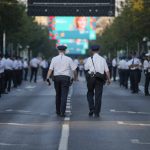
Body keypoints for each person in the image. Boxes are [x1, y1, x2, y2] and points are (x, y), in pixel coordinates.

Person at [46, 45, 77, 117]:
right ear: (65, 51)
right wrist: (75, 77)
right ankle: (62, 112)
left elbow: (50, 69)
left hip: (56, 78)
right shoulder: (69, 59)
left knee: (58, 94)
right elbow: (74, 70)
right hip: (65, 78)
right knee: (64, 95)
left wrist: (47, 78)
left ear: (58, 50)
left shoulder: (54, 59)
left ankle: (57, 111)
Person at [84, 45, 111, 117]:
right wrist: (109, 79)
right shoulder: (103, 59)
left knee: (90, 93)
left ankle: (91, 108)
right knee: (98, 96)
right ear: (99, 50)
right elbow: (107, 71)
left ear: (92, 51)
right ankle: (97, 112)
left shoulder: (89, 59)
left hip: (91, 78)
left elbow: (86, 68)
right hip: (100, 78)